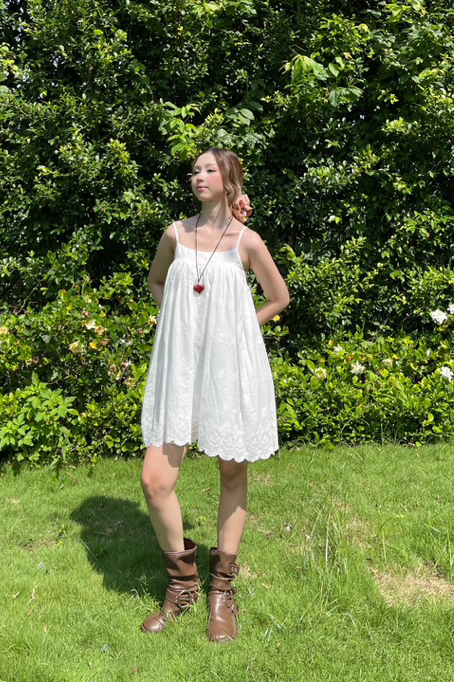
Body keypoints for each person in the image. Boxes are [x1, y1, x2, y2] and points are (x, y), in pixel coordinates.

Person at [139, 148, 290, 642]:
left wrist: (236, 330)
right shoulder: (174, 235)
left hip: (229, 368)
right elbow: (156, 281)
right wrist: (178, 324)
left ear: (229, 181)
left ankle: (221, 594)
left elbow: (279, 298)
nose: (198, 176)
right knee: (154, 480)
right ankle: (182, 588)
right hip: (180, 369)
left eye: (209, 170)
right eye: (194, 170)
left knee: (232, 471)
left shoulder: (247, 241)